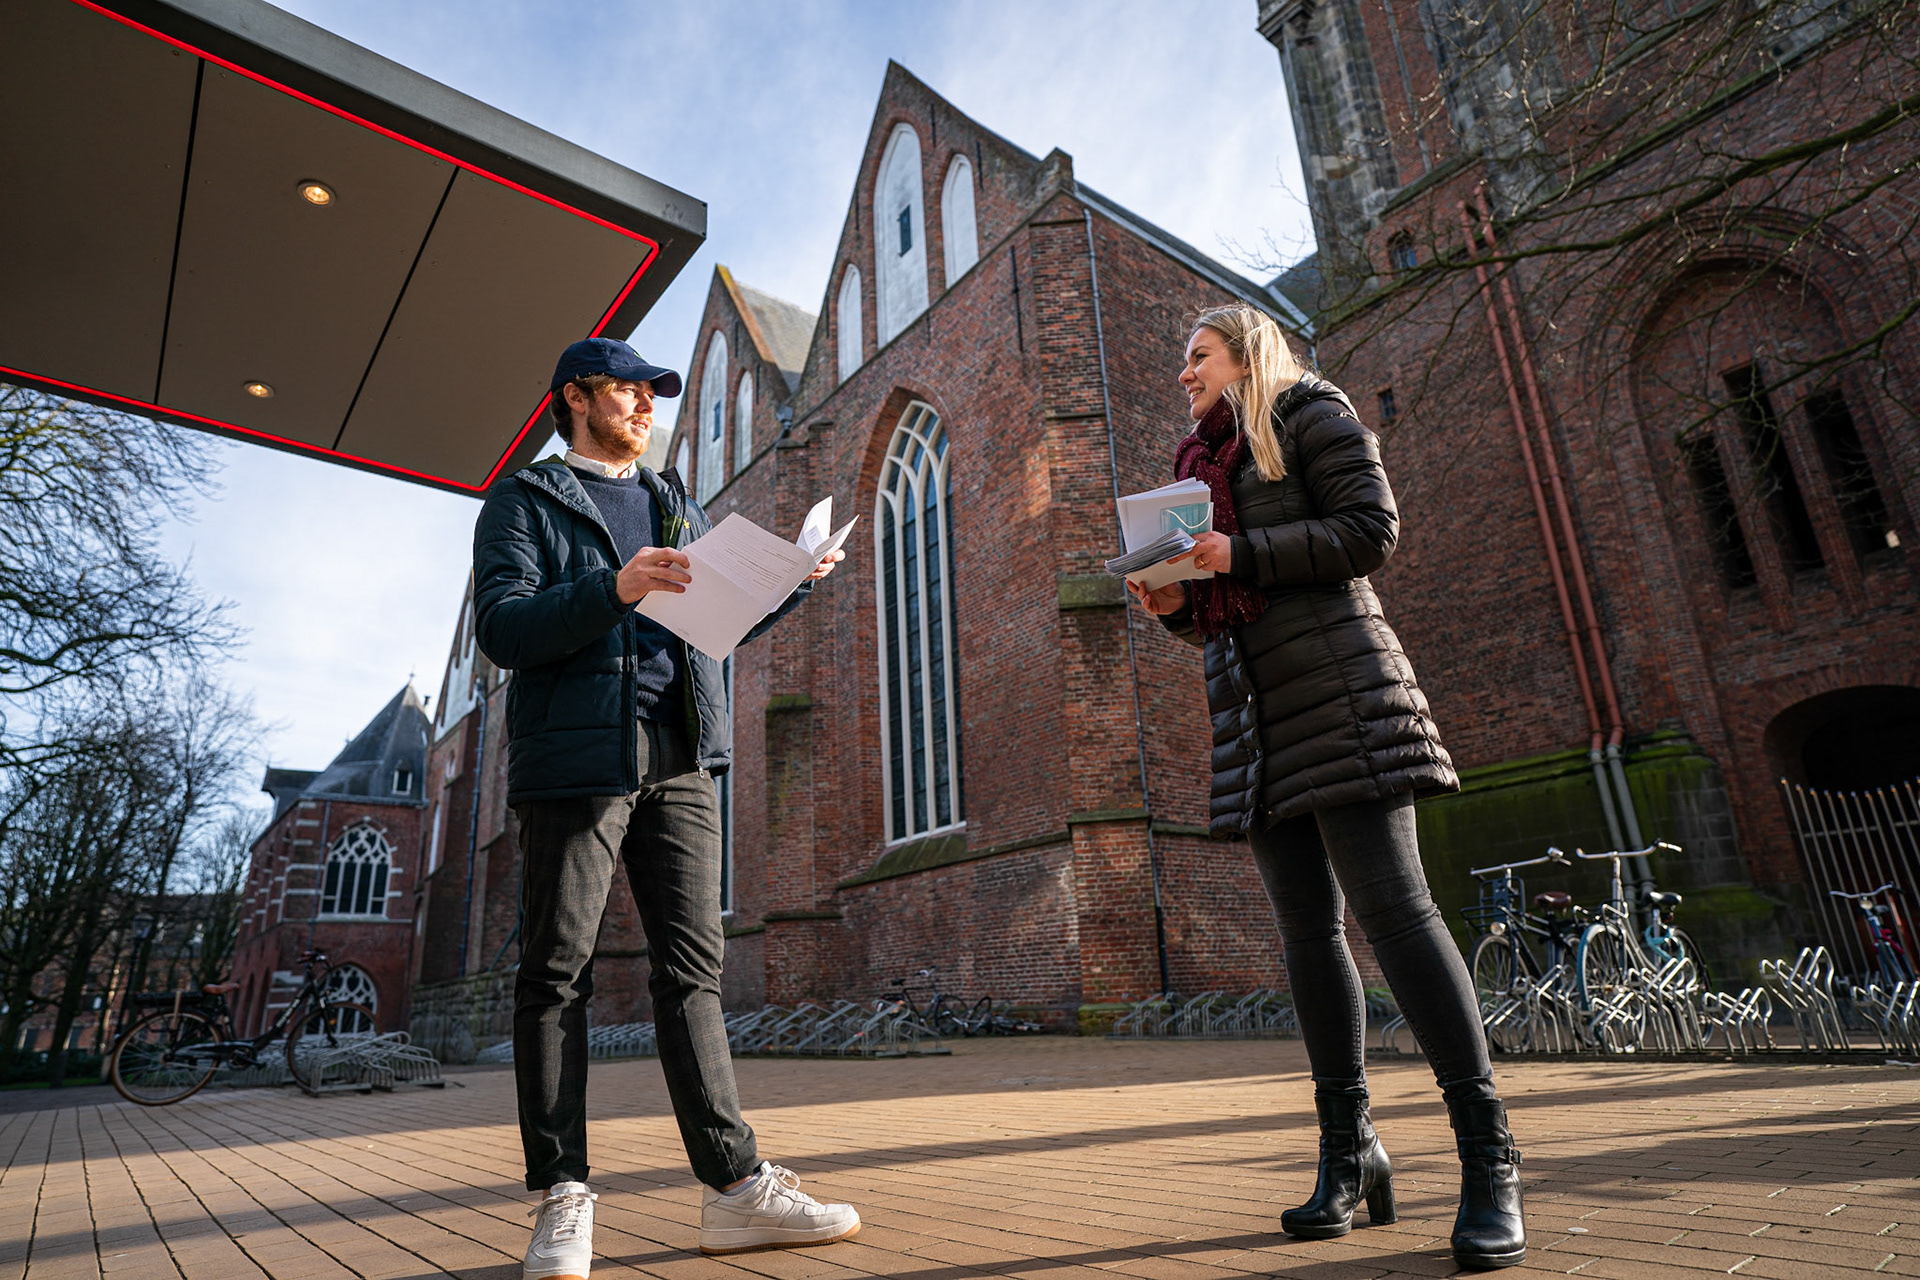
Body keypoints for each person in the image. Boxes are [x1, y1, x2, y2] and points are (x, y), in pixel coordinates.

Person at [1128, 305, 1526, 1270]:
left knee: (1397, 916)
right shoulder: (1196, 468)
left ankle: (1490, 1160)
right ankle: (1350, 1152)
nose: (1184, 374)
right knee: (1307, 936)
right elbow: (1220, 610)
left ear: (1246, 354)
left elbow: (1369, 532)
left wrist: (1240, 553)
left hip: (1343, 697)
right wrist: (1175, 602)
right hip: (1254, 720)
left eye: (1198, 356)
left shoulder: (1312, 414)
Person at [472, 337, 859, 1279]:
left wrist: (789, 584)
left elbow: (708, 626)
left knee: (693, 972)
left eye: (655, 392)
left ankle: (734, 1190)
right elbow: (505, 628)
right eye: (629, 389)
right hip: (576, 760)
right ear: (575, 397)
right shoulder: (525, 500)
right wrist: (613, 586)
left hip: (681, 755)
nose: (647, 404)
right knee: (556, 973)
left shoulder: (676, 500)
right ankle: (562, 1196)